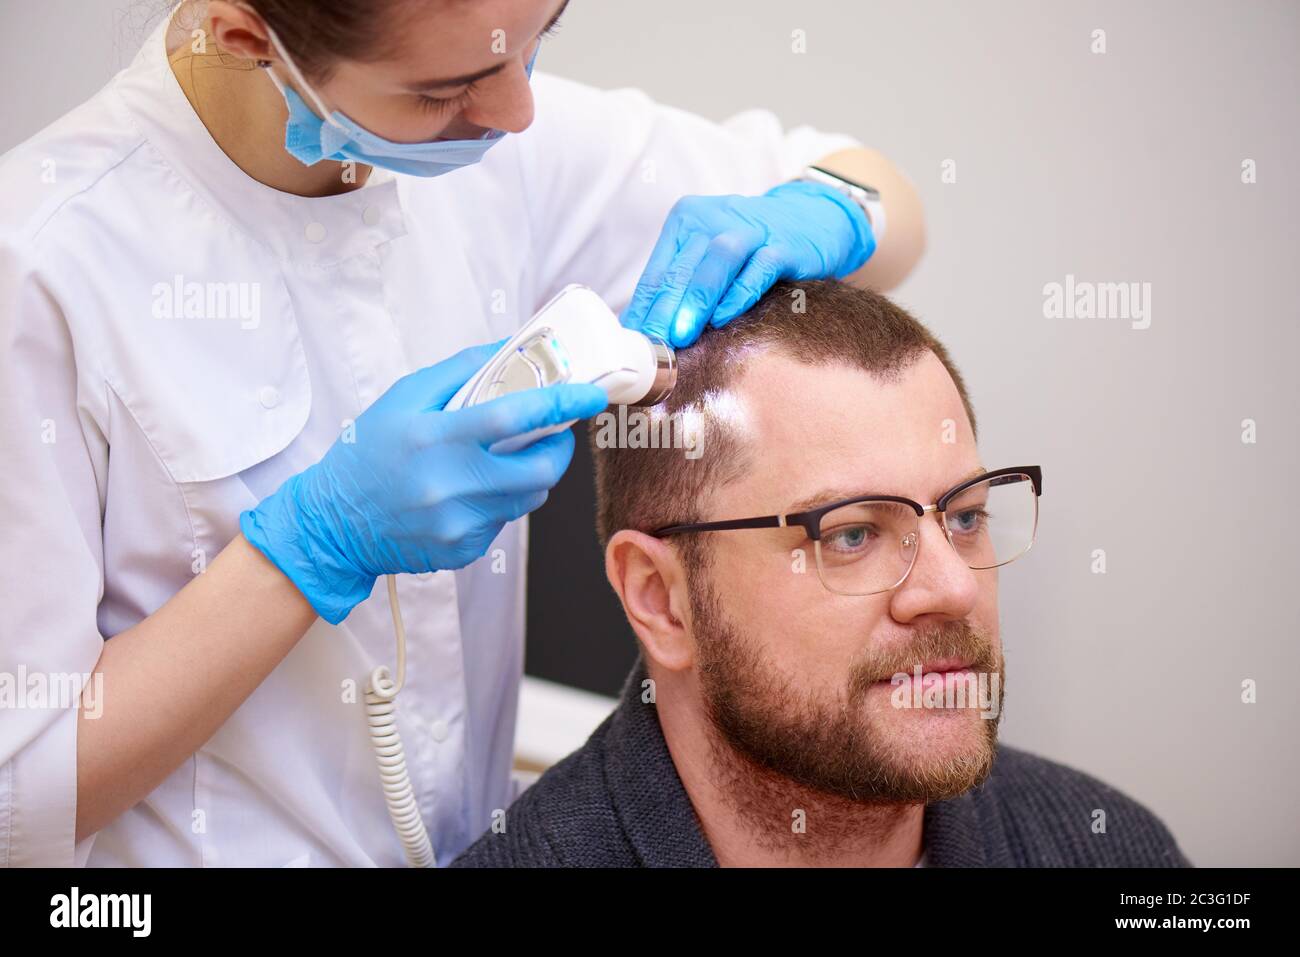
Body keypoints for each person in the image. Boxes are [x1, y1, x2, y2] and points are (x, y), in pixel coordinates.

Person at [0, 1, 925, 866]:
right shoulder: (42, 259)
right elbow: (20, 801)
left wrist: (827, 213)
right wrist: (307, 550)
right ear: (248, 39)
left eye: (538, 39)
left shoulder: (508, 140)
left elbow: (886, 197)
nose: (515, 110)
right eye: (442, 91)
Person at [451, 280, 1192, 867]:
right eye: (852, 533)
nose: (953, 588)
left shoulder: (1113, 848)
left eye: (963, 517)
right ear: (662, 600)